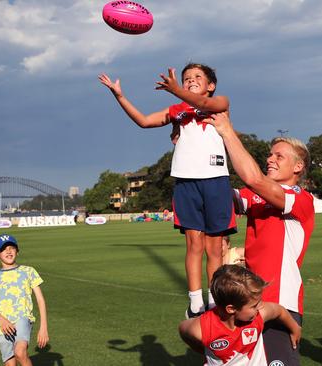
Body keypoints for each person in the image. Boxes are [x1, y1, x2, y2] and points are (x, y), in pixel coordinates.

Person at [99, 64, 237, 318]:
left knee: (215, 249)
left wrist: (176, 90)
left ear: (211, 85)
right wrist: (119, 95)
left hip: (216, 180)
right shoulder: (177, 112)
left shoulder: (220, 102)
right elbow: (143, 121)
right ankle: (196, 303)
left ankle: (214, 301)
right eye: (186, 79)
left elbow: (206, 105)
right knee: (194, 244)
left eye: (197, 77)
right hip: (186, 182)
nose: (191, 81)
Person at [206, 112, 314, 366]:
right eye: (270, 154)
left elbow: (253, 178)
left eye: (279, 156)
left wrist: (227, 131)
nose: (270, 159)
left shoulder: (301, 199)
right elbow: (218, 192)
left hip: (280, 300)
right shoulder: (254, 196)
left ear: (298, 167)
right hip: (247, 300)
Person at [178, 265, 301, 365]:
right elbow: (183, 329)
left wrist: (295, 328)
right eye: (253, 306)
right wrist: (203, 350)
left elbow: (278, 311)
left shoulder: (259, 315)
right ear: (231, 309)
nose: (260, 307)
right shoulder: (203, 328)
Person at [0, 234, 49, 366]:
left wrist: (43, 328)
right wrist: (1, 320)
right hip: (2, 326)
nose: (8, 251)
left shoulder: (28, 271)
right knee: (10, 364)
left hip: (22, 318)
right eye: (4, 249)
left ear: (17, 251)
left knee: (20, 352)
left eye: (12, 248)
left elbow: (40, 300)